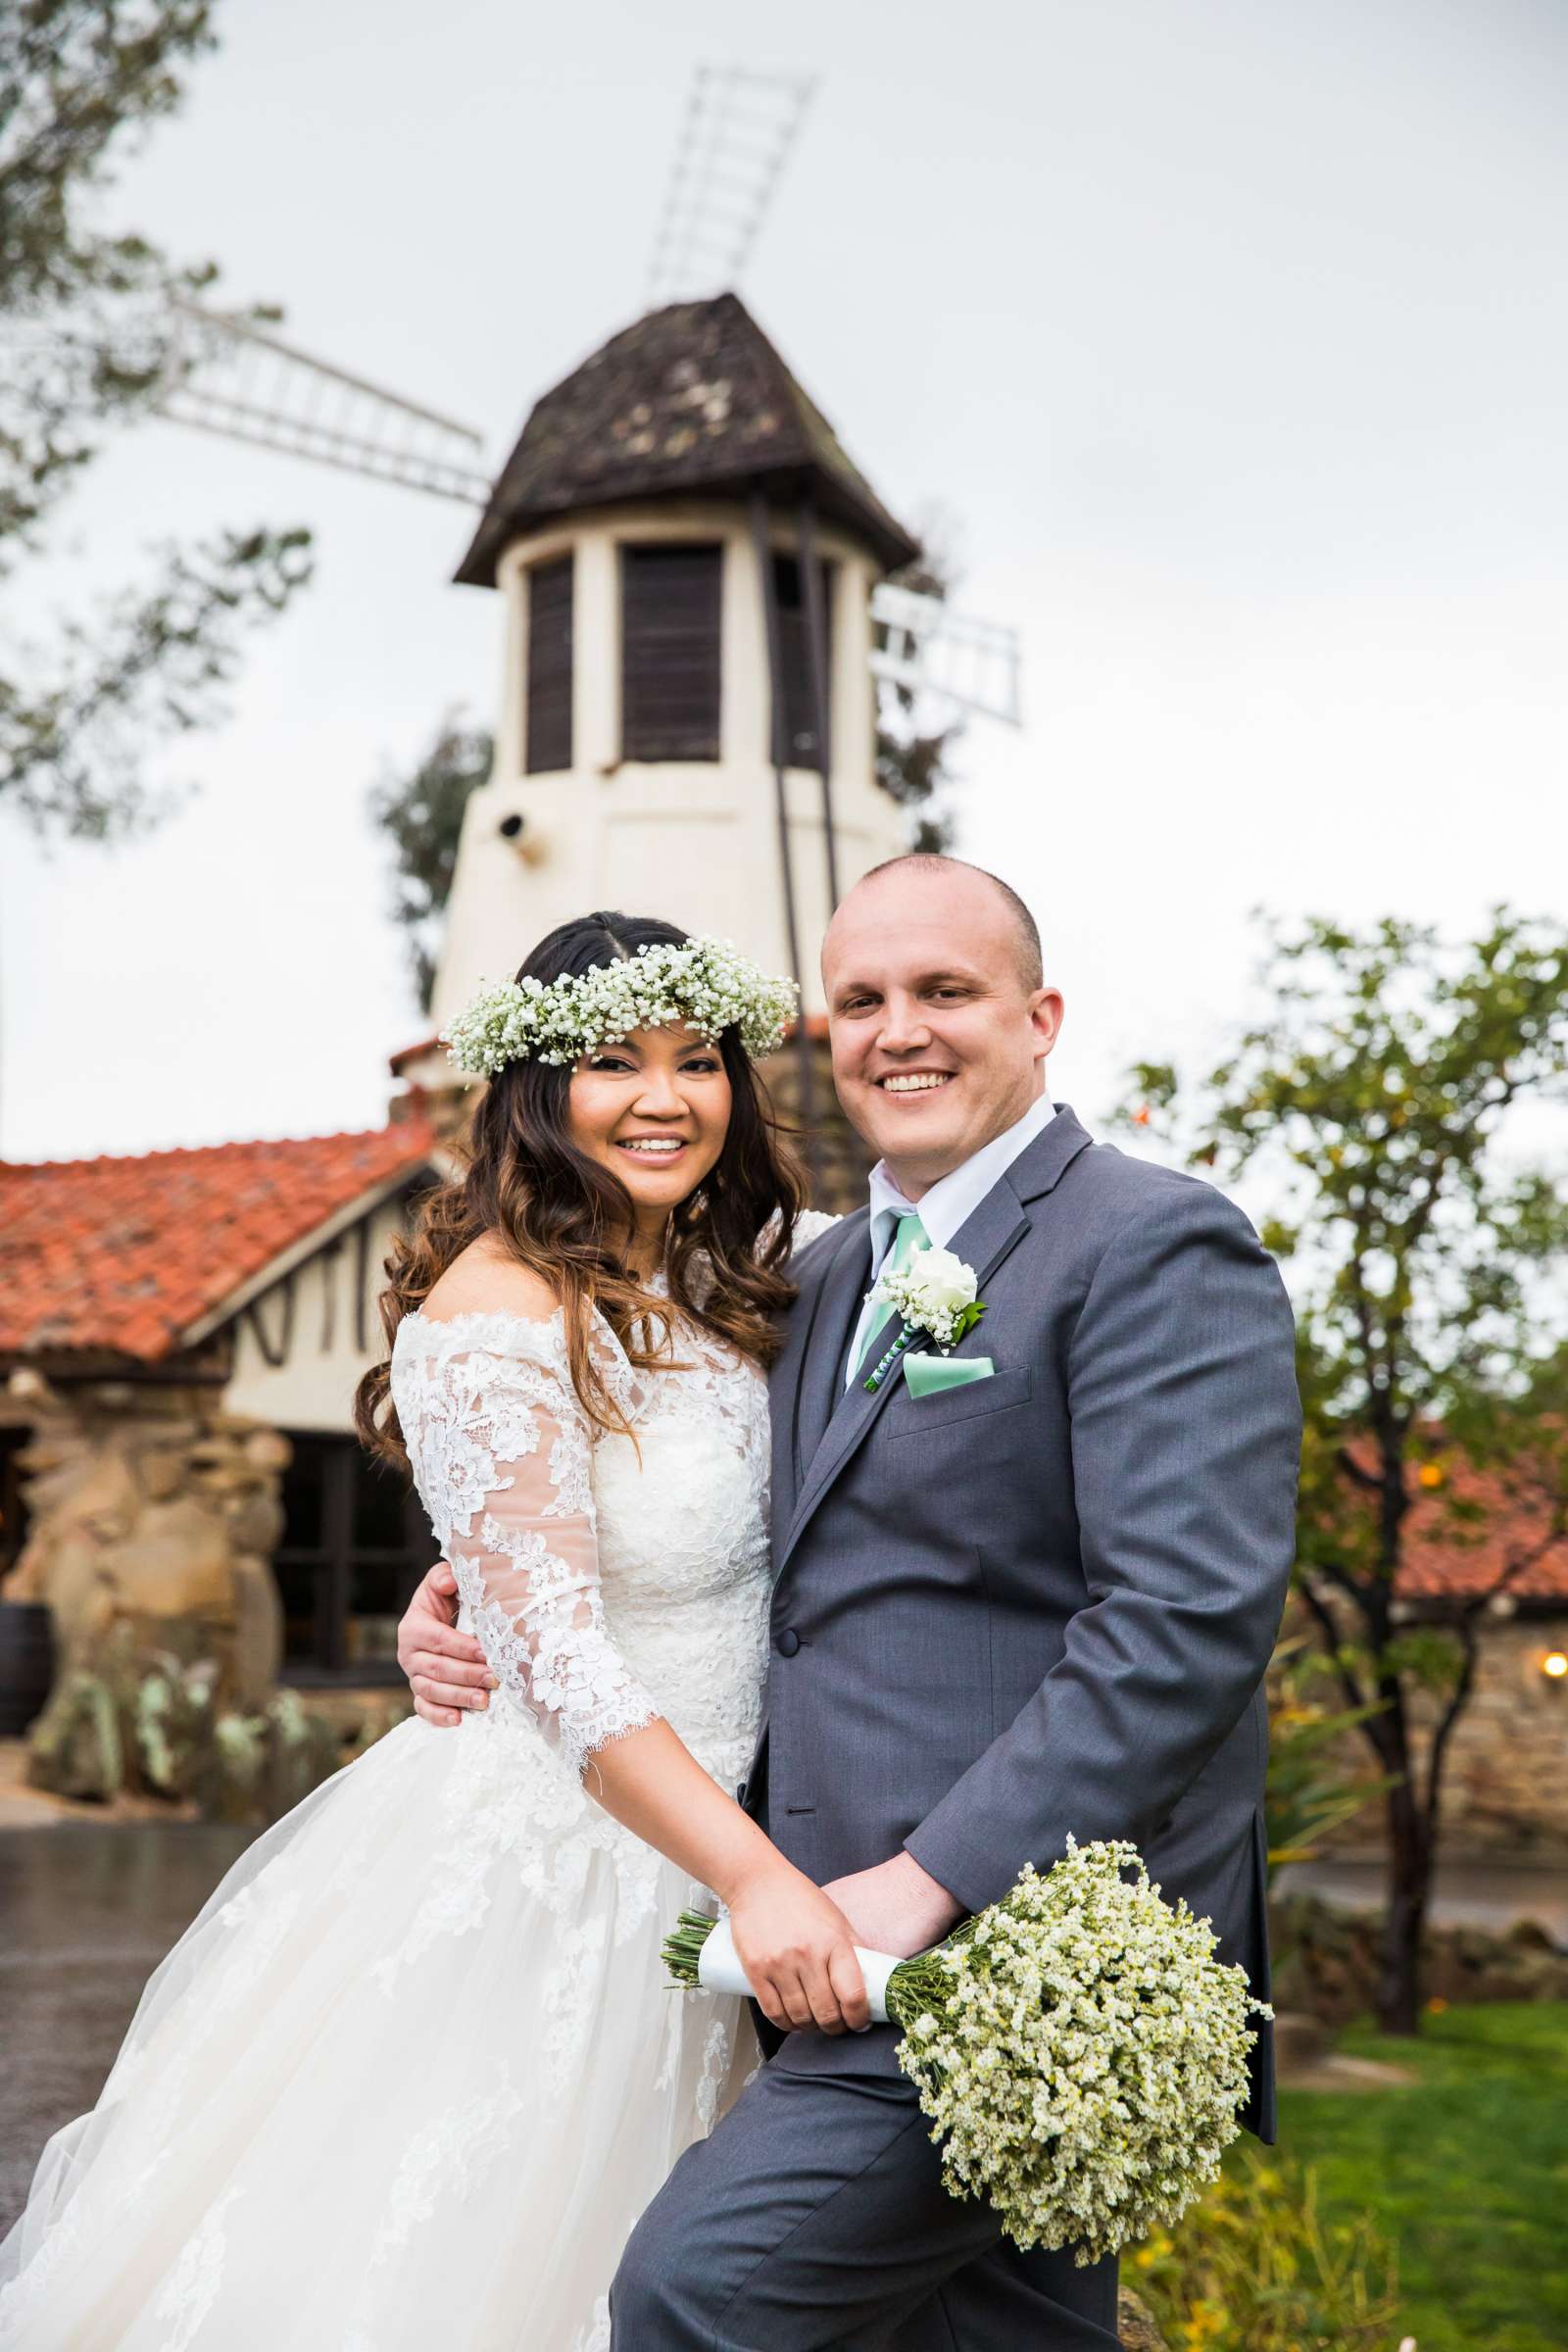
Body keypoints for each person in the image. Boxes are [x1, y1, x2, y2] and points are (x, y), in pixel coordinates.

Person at [402, 854, 1302, 2349]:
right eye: (863, 1000)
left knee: (697, 2294)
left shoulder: (1150, 1240)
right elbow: (660, 1520)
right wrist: (471, 1603)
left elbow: (1184, 1625)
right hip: (780, 1921)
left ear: (1041, 1014)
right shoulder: (803, 1275)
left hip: (1016, 1944)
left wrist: (930, 1877)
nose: (902, 1031)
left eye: (946, 991)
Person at [0, 911, 850, 2352]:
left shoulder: (744, 1274)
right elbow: (564, 1659)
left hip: (742, 1839)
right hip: (579, 1872)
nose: (665, 1098)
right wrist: (758, 1881)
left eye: (697, 1061)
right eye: (610, 1063)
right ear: (533, 1087)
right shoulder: (493, 1309)